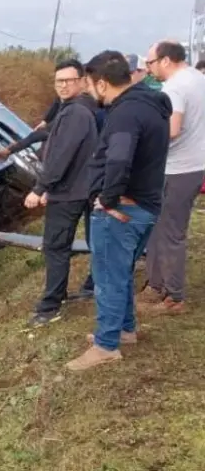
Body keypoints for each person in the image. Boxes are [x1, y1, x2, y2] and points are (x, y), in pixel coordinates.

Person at [66, 50, 170, 371]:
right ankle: (125, 329)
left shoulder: (124, 114)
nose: (87, 91)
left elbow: (120, 159)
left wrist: (108, 200)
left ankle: (106, 345)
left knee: (108, 277)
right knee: (120, 272)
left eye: (87, 84)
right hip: (146, 203)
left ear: (101, 83)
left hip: (124, 210)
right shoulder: (148, 103)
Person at [23, 59, 99, 327]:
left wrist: (41, 188)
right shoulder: (79, 108)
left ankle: (50, 306)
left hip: (70, 192)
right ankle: (90, 287)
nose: (64, 85)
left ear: (81, 81)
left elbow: (61, 156)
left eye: (69, 80)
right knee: (89, 243)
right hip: (80, 187)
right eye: (59, 81)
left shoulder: (75, 113)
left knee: (56, 247)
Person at [139, 41, 205, 315]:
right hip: (195, 164)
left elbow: (172, 129)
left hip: (178, 168)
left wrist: (143, 145)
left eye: (151, 63)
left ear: (166, 60)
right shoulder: (198, 78)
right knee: (161, 228)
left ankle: (173, 297)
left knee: (170, 232)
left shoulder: (174, 87)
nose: (148, 68)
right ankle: (155, 286)